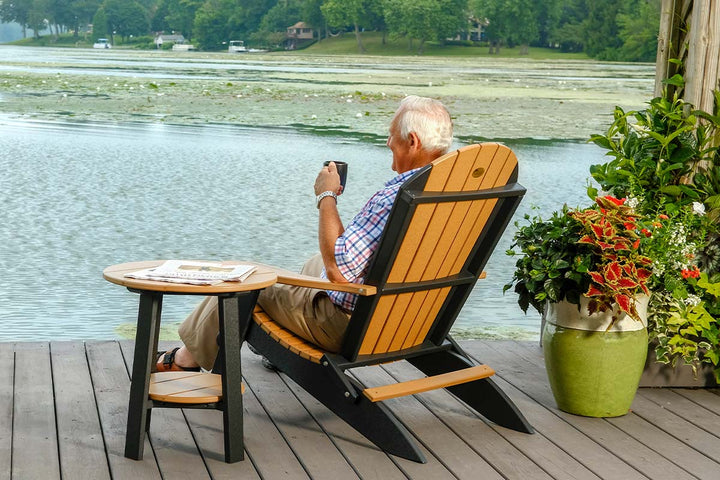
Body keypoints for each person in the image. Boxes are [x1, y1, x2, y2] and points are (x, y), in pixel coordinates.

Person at [157, 95, 454, 372]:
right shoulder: (454, 191)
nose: (388, 141)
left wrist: (326, 197)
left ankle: (183, 360)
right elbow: (342, 258)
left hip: (353, 327)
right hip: (413, 317)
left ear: (412, 141)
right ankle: (279, 344)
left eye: (392, 135)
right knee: (315, 261)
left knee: (243, 279)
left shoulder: (397, 197)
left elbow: (338, 271)